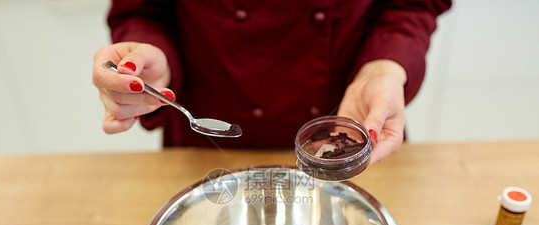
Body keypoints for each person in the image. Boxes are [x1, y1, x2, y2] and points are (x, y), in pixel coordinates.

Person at [92, 1, 451, 163]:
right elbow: (142, 10)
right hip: (206, 148)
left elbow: (412, 3)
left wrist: (386, 64)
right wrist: (152, 59)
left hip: (351, 125)